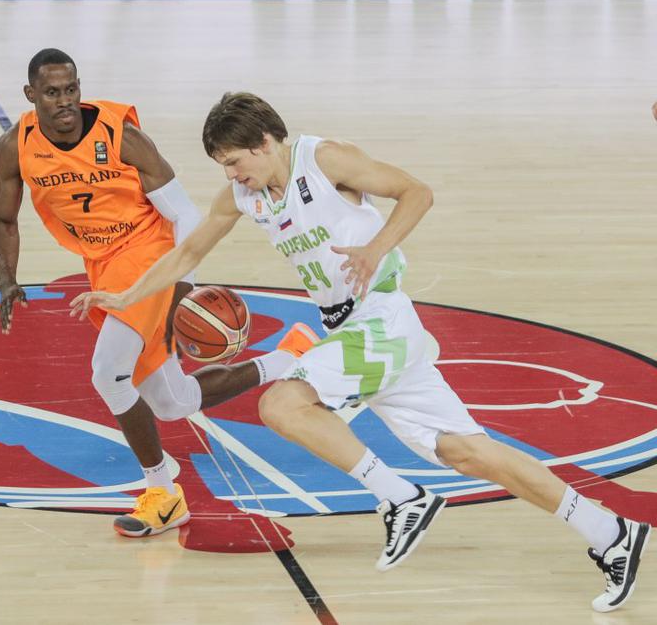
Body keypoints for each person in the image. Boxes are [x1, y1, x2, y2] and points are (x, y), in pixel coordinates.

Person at [70, 92, 650, 611]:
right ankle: (611, 533)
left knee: (281, 405)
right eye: (223, 166)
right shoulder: (244, 196)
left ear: (265, 142)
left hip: (381, 317)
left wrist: (376, 248)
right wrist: (126, 296)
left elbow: (417, 192)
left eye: (234, 161)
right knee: (468, 453)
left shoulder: (325, 159)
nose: (231, 174)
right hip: (356, 330)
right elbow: (188, 254)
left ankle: (400, 497)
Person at [0, 54, 307, 538]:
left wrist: (181, 289)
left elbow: (185, 215)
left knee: (108, 373)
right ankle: (290, 358)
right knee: (173, 402)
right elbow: (4, 219)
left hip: (148, 254)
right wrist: (7, 279)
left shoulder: (122, 137)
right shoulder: (16, 145)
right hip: (102, 265)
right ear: (31, 95)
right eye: (52, 93)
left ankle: (163, 494)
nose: (65, 101)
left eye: (71, 89)